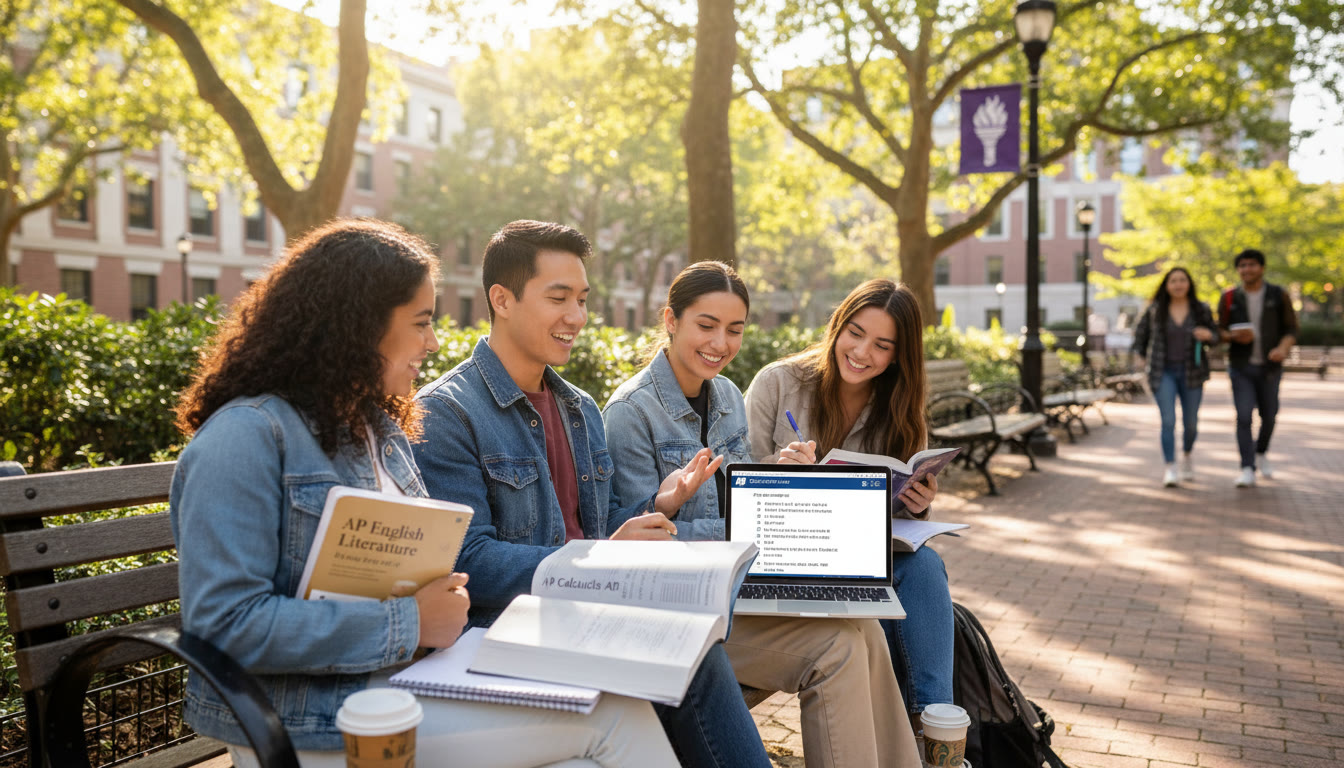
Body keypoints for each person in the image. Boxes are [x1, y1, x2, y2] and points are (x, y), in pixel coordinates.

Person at [169, 219, 679, 768]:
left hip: (408, 682)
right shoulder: (244, 437)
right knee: (613, 717)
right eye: (420, 322)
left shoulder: (376, 430)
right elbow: (225, 624)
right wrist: (410, 622)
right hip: (314, 718)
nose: (433, 342)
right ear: (357, 326)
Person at [412, 221, 773, 768]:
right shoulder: (447, 412)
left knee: (696, 645)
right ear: (501, 299)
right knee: (695, 662)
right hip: (510, 632)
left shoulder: (579, 408)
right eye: (559, 298)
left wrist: (658, 507)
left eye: (582, 300)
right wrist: (595, 561)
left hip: (590, 616)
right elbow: (468, 560)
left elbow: (599, 528)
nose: (577, 317)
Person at [603, 261, 922, 768]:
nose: (720, 343)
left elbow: (739, 505)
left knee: (865, 628)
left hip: (736, 593)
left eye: (735, 329)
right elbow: (630, 542)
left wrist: (777, 477)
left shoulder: (728, 395)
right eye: (706, 325)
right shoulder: (631, 412)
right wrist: (734, 528)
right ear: (671, 319)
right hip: (678, 613)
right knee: (836, 649)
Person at [742, 279, 950, 740]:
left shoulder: (897, 408)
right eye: (854, 333)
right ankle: (913, 742)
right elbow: (734, 491)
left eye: (881, 345)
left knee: (926, 568)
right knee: (884, 620)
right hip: (792, 557)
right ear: (838, 326)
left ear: (898, 355)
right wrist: (780, 473)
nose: (861, 352)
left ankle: (935, 730)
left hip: (858, 559)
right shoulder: (779, 383)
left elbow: (898, 517)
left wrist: (918, 505)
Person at [1216, 248, 1299, 487]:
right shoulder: (1230, 297)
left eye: (1251, 265)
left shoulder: (1278, 295)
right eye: (1242, 266)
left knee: (1269, 416)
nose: (1246, 269)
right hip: (1240, 366)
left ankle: (1261, 452)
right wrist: (1233, 336)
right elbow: (1218, 331)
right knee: (1243, 416)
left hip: (1270, 367)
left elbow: (1291, 329)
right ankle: (1247, 467)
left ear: (1261, 268)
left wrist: (1283, 348)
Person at [1131, 267, 1216, 486]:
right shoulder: (1155, 309)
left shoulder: (1200, 309)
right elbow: (1139, 336)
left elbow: (1216, 335)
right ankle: (1170, 467)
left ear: (1189, 283)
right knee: (1168, 421)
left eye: (1182, 280)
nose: (1178, 284)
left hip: (1192, 372)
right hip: (1162, 372)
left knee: (1191, 424)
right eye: (1173, 281)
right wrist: (1140, 357)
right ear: (1166, 285)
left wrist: (1208, 335)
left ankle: (1187, 455)